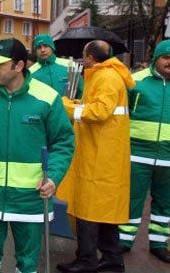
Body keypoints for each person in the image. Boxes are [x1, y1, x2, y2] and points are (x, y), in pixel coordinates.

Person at [0, 38, 74, 273]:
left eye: (0, 64)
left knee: (27, 263)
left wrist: (52, 177)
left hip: (31, 197)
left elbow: (63, 141)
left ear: (19, 66)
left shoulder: (47, 98)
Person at [56, 40, 135, 273]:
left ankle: (87, 260)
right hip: (102, 151)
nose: (82, 58)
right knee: (103, 209)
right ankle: (111, 258)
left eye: (83, 54)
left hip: (100, 154)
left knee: (88, 209)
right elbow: (99, 105)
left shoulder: (106, 77)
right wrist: (77, 103)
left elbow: (99, 112)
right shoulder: (106, 75)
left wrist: (68, 108)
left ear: (90, 57)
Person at [118, 40, 170, 264]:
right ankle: (124, 239)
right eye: (166, 57)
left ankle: (158, 242)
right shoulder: (135, 81)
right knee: (132, 199)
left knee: (164, 202)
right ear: (156, 59)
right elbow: (122, 116)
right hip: (137, 153)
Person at [29, 33, 83, 98]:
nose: (42, 50)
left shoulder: (70, 65)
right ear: (35, 51)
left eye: (46, 46)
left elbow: (81, 91)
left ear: (52, 48)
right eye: (39, 47)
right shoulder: (30, 72)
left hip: (68, 107)